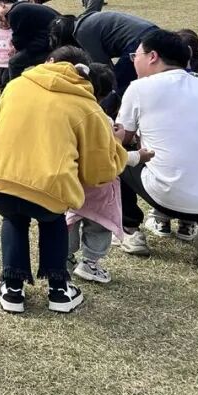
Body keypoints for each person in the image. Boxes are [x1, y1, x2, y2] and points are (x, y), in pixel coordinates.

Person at [0, 46, 126, 314]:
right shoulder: (86, 106)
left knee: (14, 218)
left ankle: (12, 288)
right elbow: (99, 172)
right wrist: (117, 145)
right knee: (52, 220)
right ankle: (59, 290)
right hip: (49, 189)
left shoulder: (15, 86)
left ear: (49, 61)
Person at [116, 30, 198, 267]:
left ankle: (129, 229)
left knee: (116, 156)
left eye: (135, 56)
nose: (133, 61)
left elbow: (121, 139)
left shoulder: (140, 88)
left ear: (152, 56)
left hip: (170, 196)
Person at [66, 61, 139, 286]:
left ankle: (64, 258)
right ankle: (90, 263)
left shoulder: (66, 114)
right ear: (106, 94)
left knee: (68, 222)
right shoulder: (104, 121)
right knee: (99, 225)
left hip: (72, 184)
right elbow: (113, 156)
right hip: (99, 186)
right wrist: (127, 146)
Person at [51, 9, 159, 100]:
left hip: (139, 40)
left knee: (116, 85)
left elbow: (102, 67)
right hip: (150, 32)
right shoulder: (85, 21)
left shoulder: (82, 32)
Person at [3, 1, 59, 80]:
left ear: (3, 5)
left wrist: (15, 46)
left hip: (51, 45)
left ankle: (15, 86)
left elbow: (19, 43)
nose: (3, 23)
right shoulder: (24, 7)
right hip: (52, 41)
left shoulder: (15, 12)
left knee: (14, 62)